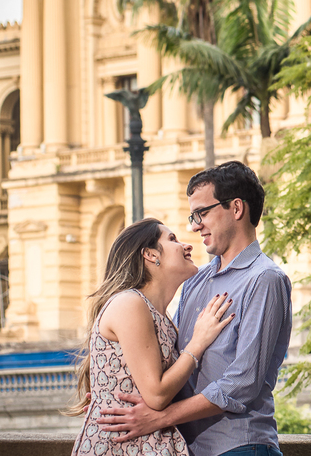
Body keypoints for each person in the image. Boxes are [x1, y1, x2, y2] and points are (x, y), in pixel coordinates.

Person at [99, 161, 293, 456]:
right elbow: (171, 360)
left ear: (236, 209)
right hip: (188, 448)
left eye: (202, 213)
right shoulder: (195, 281)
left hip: (240, 446)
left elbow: (244, 382)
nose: (194, 225)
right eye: (193, 215)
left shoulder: (264, 279)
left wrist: (162, 417)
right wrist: (113, 392)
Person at [70, 217, 234, 456]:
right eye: (172, 239)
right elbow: (156, 395)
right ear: (150, 255)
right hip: (123, 447)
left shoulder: (159, 316)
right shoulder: (130, 303)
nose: (186, 245)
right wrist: (198, 342)